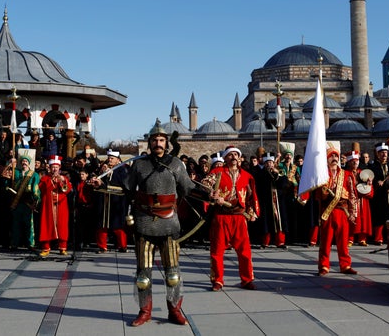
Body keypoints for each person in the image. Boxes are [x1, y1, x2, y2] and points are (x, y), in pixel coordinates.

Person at [118, 119, 196, 327]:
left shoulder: (176, 164)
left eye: (162, 140)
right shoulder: (140, 165)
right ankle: (145, 311)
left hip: (169, 223)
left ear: (167, 142)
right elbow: (126, 189)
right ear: (150, 142)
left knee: (173, 273)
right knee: (143, 274)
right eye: (155, 140)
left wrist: (208, 193)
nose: (158, 143)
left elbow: (188, 188)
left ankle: (175, 310)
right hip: (144, 223)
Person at [202, 145, 260, 291]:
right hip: (221, 216)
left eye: (236, 154)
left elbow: (251, 196)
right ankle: (218, 280)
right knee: (217, 250)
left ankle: (247, 279)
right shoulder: (217, 172)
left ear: (240, 158)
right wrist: (212, 195)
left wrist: (252, 212)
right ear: (225, 158)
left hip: (239, 217)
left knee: (245, 251)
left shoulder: (247, 176)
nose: (233, 157)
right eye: (230, 155)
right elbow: (204, 184)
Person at [317, 141, 358, 275]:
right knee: (326, 240)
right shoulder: (323, 175)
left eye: (336, 156)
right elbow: (317, 196)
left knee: (343, 241)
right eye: (331, 156)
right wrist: (323, 193)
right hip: (327, 211)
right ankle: (323, 265)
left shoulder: (346, 174)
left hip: (342, 211)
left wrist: (353, 212)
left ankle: (345, 265)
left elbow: (352, 194)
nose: (334, 159)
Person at [93, 149, 130, 253]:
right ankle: (102, 246)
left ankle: (122, 245)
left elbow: (122, 186)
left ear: (118, 160)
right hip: (103, 201)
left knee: (118, 225)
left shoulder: (122, 170)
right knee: (102, 225)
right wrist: (100, 174)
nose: (109, 160)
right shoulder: (103, 168)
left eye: (112, 158)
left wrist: (104, 183)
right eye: (109, 158)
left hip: (116, 201)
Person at [38, 155, 73, 257]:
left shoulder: (64, 178)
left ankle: (62, 248)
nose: (55, 169)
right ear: (49, 167)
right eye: (53, 167)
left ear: (59, 168)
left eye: (56, 167)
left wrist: (62, 181)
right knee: (46, 225)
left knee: (62, 226)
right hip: (48, 206)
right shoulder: (45, 178)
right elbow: (42, 189)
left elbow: (67, 190)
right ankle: (45, 248)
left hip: (61, 206)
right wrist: (51, 181)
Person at [6, 155, 41, 250]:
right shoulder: (15, 172)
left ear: (29, 163)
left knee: (29, 224)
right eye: (23, 161)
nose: (24, 163)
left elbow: (36, 189)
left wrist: (35, 200)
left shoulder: (34, 175)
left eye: (26, 161)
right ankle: (14, 243)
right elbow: (5, 175)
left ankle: (31, 244)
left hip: (27, 203)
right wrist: (10, 163)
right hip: (16, 202)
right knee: (15, 224)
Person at [254, 152, 287, 248]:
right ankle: (265, 242)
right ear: (264, 164)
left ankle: (280, 241)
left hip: (278, 201)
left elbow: (284, 184)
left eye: (271, 162)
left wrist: (277, 174)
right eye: (267, 162)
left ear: (273, 163)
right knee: (266, 222)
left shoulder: (279, 171)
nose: (269, 164)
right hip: (266, 201)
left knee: (279, 221)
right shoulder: (260, 173)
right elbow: (259, 186)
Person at [369, 143, 389, 245]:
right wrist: (376, 181)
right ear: (377, 154)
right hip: (379, 195)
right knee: (379, 216)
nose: (384, 155)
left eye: (385, 153)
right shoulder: (373, 166)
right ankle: (378, 238)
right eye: (382, 153)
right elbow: (370, 177)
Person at [344, 150, 372, 246]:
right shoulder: (345, 173)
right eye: (353, 161)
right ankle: (350, 239)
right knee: (351, 219)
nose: (355, 162)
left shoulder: (363, 173)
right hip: (350, 200)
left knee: (363, 219)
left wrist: (369, 185)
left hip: (362, 200)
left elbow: (370, 189)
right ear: (349, 162)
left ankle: (362, 239)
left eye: (356, 160)